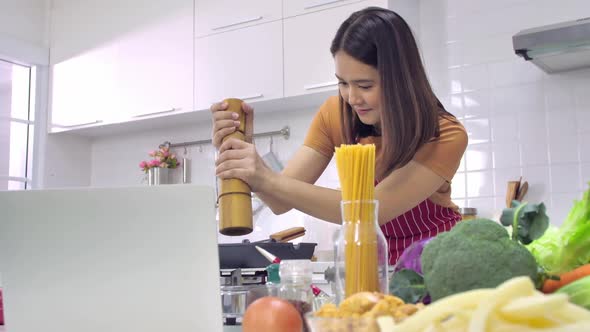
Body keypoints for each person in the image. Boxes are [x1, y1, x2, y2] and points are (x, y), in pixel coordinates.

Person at [210, 7, 468, 264]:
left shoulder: (444, 134)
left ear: (400, 79)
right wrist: (245, 149)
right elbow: (280, 202)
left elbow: (373, 210)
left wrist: (263, 175)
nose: (352, 98)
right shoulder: (336, 114)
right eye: (343, 83)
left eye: (365, 86)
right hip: (371, 263)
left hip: (434, 263)